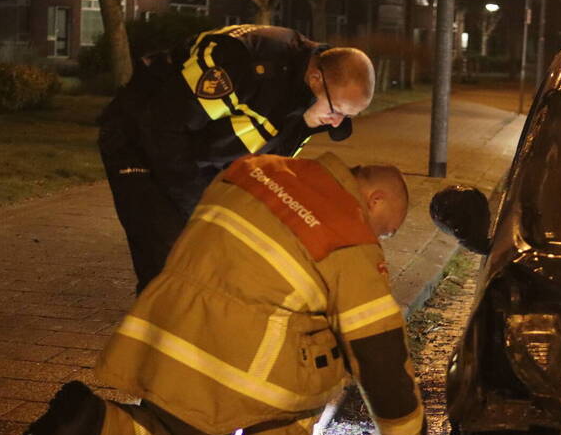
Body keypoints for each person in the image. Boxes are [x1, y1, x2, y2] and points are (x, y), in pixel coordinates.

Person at [13, 151, 444, 435]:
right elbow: (380, 356)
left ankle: (92, 425)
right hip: (234, 362)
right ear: (376, 200)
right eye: (386, 231)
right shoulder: (348, 237)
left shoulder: (256, 169)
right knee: (334, 340)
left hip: (166, 339)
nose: (380, 240)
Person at [98, 24, 376, 294]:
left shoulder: (311, 100)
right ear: (316, 78)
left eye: (348, 116)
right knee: (168, 259)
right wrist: (200, 207)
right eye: (336, 110)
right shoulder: (245, 60)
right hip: (139, 136)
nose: (336, 122)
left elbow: (267, 164)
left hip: (194, 155)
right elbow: (164, 127)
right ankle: (156, 333)